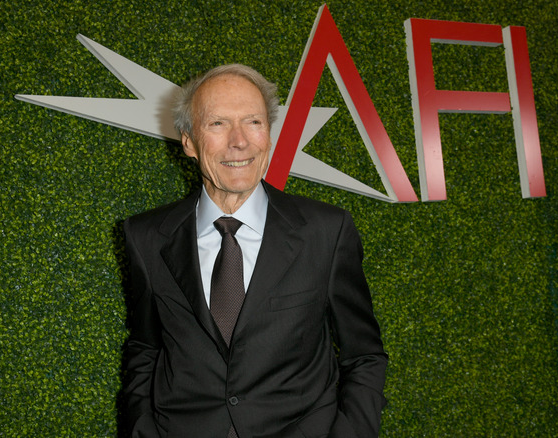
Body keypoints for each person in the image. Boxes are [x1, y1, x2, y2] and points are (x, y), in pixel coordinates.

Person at [122, 64, 387, 438]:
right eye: (218, 124)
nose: (239, 141)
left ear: (269, 133)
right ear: (188, 142)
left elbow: (364, 355)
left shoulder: (326, 232)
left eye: (253, 122)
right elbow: (145, 349)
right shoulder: (146, 236)